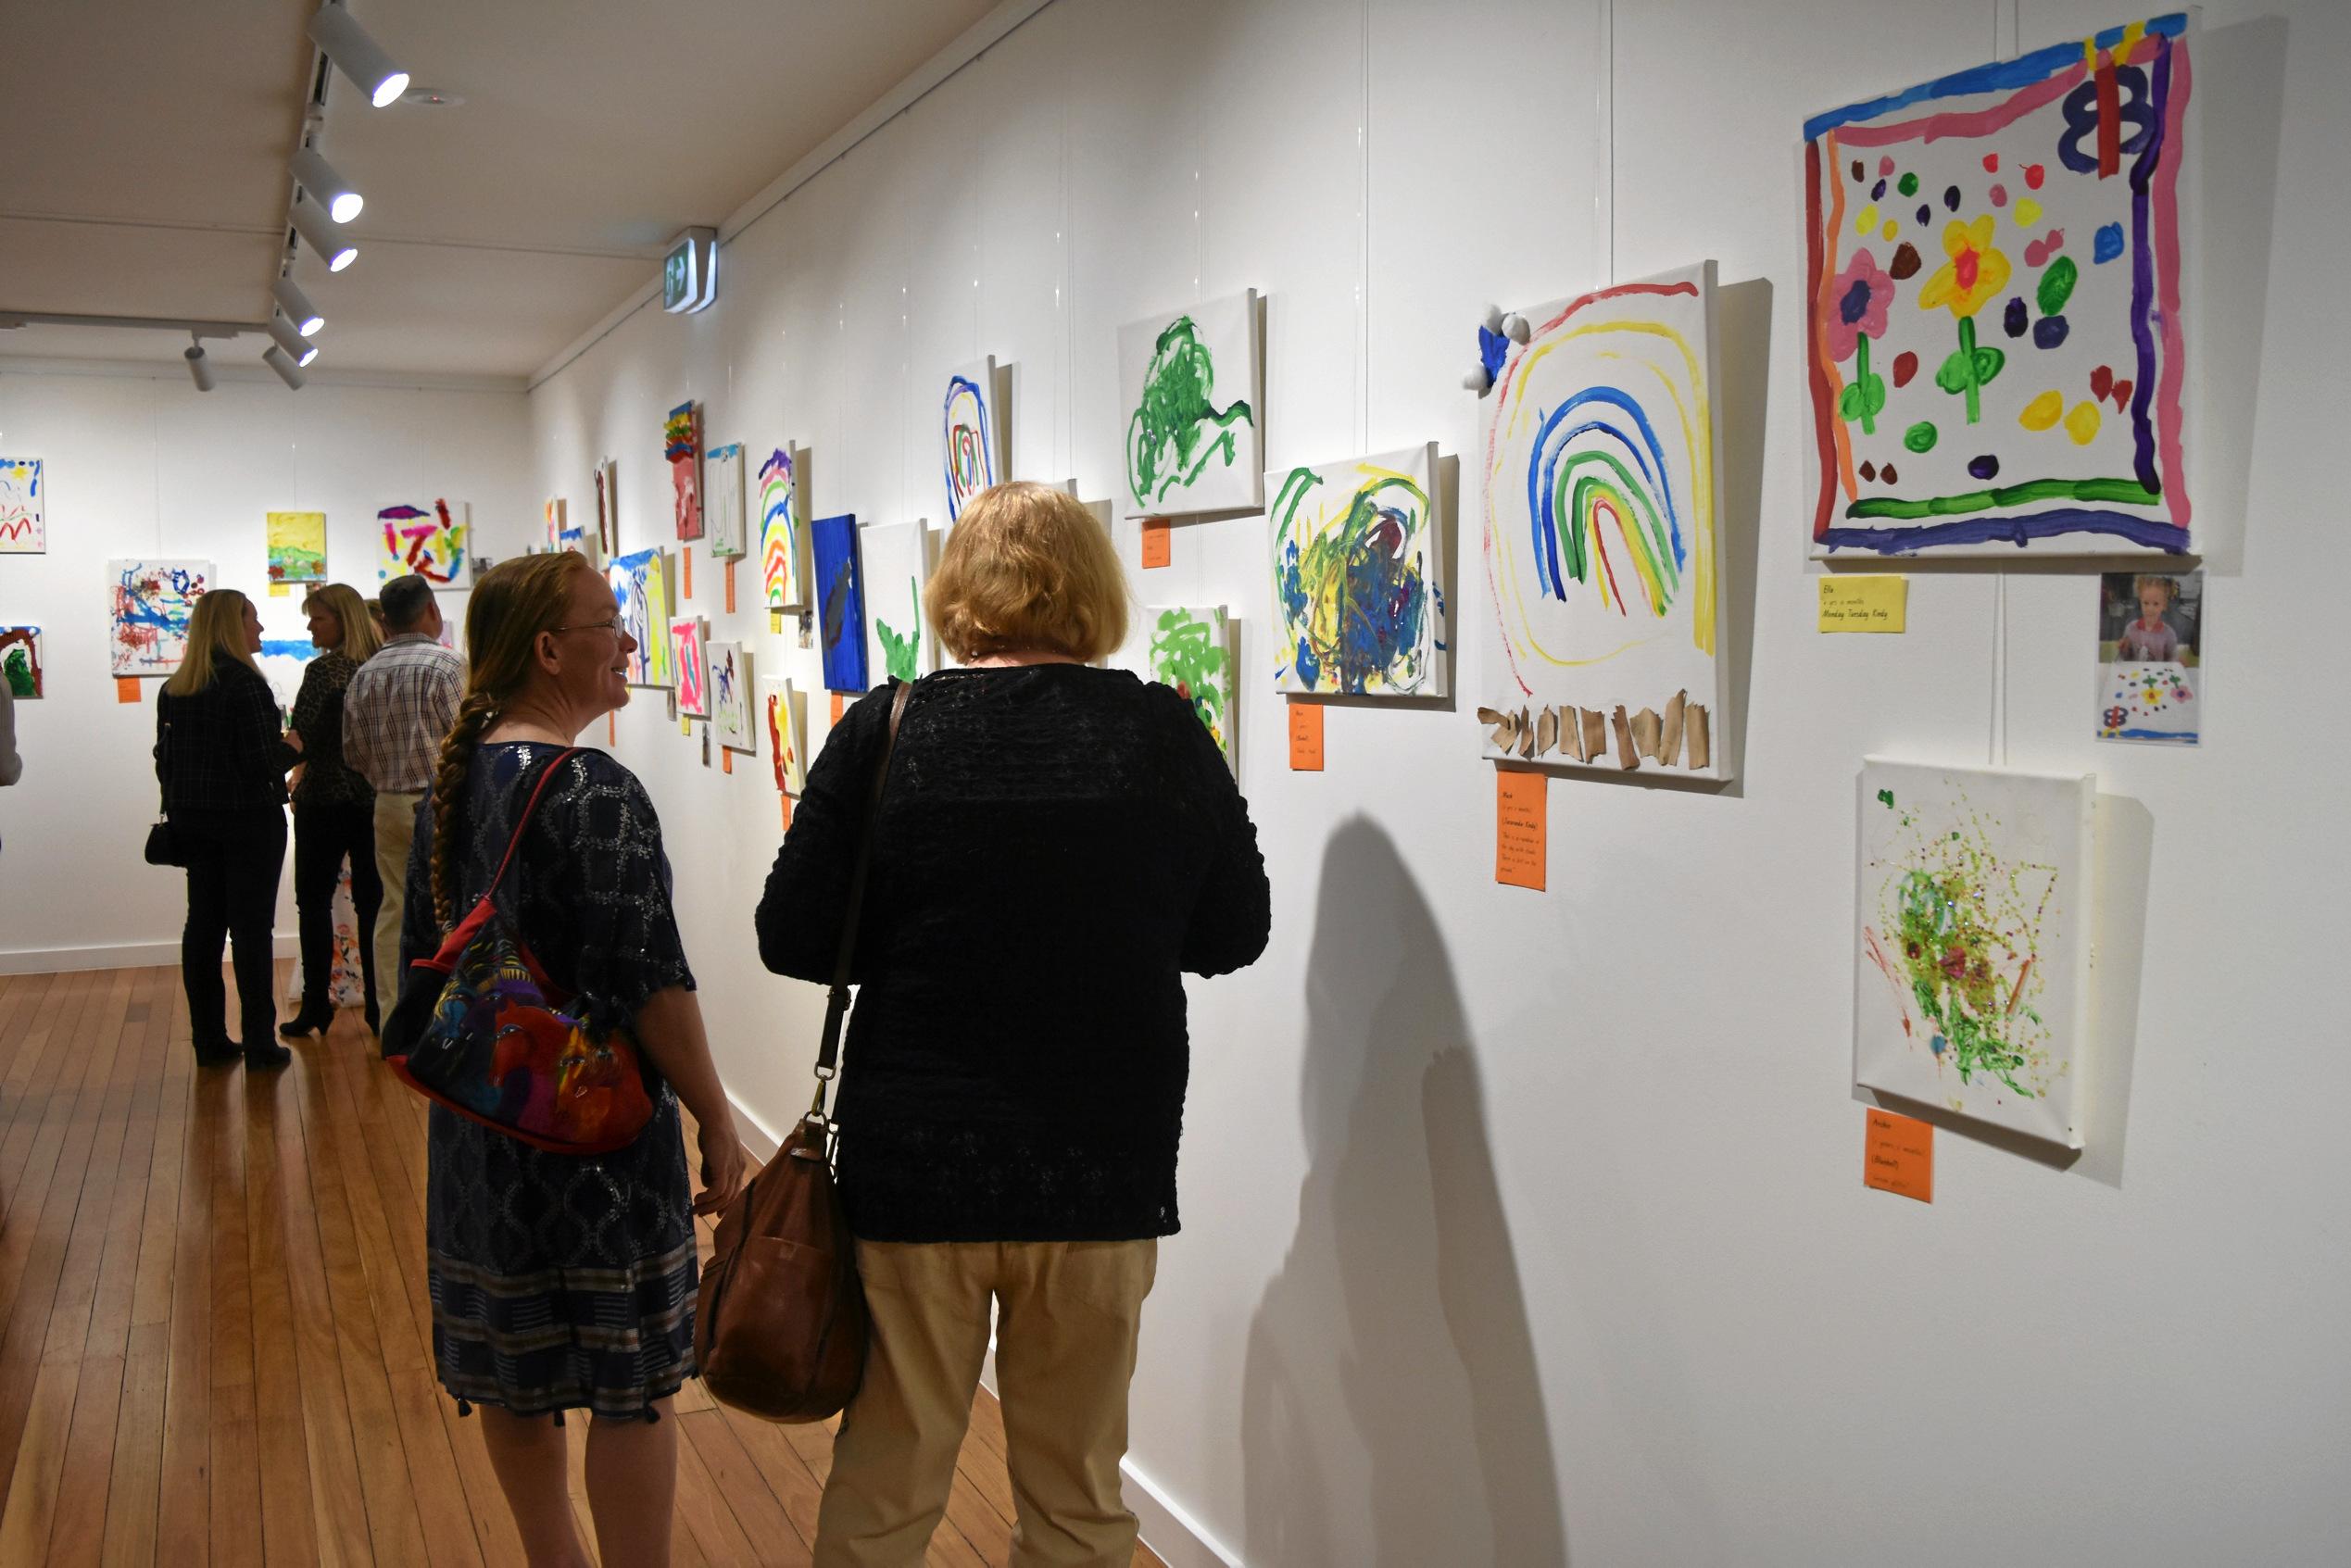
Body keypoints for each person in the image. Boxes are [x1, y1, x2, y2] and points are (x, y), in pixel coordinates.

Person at [756, 481, 1270, 1568]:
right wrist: (1103, 927)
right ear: (1092, 590)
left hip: (915, 1165)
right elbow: (1234, 930)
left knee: (889, 1477)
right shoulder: (1162, 732)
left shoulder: (887, 729)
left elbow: (794, 935)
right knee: (1080, 1492)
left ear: (959, 592)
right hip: (1099, 1168)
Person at [402, 552, 746, 1568]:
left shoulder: (456, 784)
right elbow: (655, 984)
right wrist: (720, 1118)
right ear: (550, 650)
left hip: (484, 1123)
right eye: (609, 622)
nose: (629, 641)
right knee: (628, 1386)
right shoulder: (591, 786)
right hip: (593, 1139)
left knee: (514, 1372)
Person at [155, 588, 297, 1070]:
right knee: (252, 931)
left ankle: (209, 1040)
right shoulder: (246, 684)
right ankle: (259, 1042)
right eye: (252, 620)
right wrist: (296, 745)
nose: (258, 629)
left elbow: (165, 761)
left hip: (194, 821)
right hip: (249, 823)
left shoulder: (174, 687)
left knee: (204, 927)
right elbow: (261, 765)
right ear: (231, 626)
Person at [346, 573, 462, 1023]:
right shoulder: (448, 667)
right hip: (441, 802)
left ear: (385, 622)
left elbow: (352, 753)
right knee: (449, 908)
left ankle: (395, 1017)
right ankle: (447, 1020)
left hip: (387, 802)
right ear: (432, 610)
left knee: (394, 908)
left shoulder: (364, 673)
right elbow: (466, 740)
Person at [279, 583, 384, 1038]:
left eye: (317, 618)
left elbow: (302, 733)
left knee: (313, 903)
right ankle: (381, 1009)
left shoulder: (323, 671)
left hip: (324, 799)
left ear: (341, 620)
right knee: (375, 905)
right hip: (371, 799)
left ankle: (317, 1006)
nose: (309, 626)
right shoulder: (380, 666)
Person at [2118, 575, 2184, 661]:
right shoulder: (2130, 629)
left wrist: (2177, 662)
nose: (2150, 609)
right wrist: (2123, 649)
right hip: (2135, 673)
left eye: (2156, 604)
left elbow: (2171, 660)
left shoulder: (2169, 634)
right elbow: (2125, 659)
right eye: (2146, 603)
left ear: (2164, 605)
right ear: (2140, 602)